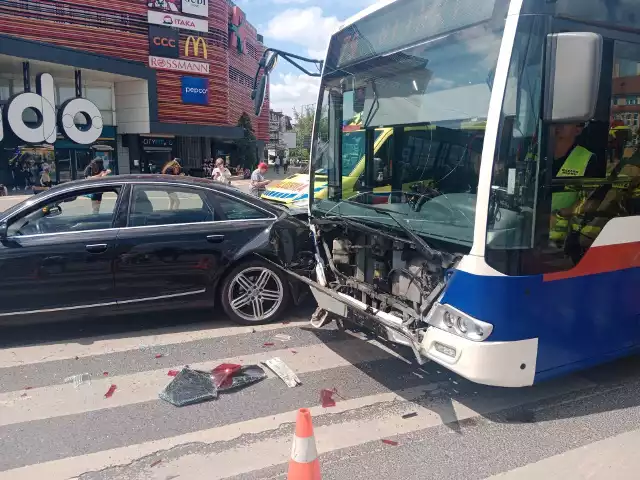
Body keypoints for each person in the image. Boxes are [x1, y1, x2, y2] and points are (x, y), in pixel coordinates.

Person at [549, 123, 598, 244]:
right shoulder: (535, 153)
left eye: (567, 122)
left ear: (578, 129)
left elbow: (592, 201)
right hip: (528, 230)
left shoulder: (588, 159)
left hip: (561, 242)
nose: (558, 125)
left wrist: (561, 213)